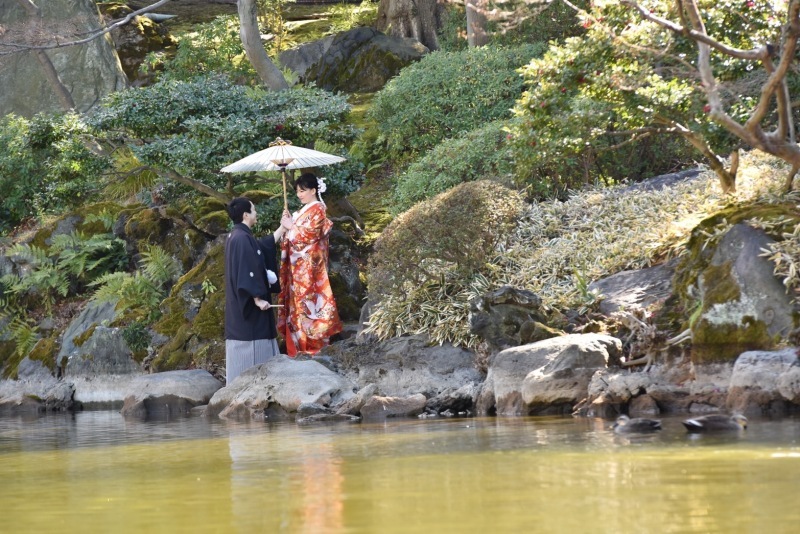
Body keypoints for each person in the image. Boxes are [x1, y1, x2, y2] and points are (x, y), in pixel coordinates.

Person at [224, 197, 292, 384]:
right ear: (246, 215)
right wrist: (257, 298)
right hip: (250, 314)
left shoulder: (236, 236)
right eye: (253, 210)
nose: (256, 213)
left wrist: (282, 228)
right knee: (254, 364)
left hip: (238, 312)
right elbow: (248, 269)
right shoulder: (242, 238)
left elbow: (260, 248)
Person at [278, 173, 343, 356]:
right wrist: (287, 225)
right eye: (298, 191)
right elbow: (291, 237)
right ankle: (296, 347)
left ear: (313, 190)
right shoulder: (303, 211)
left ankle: (313, 349)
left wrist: (291, 227)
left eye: (303, 191)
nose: (299, 195)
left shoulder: (318, 209)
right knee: (297, 306)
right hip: (298, 269)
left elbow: (310, 236)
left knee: (310, 305)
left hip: (310, 270)